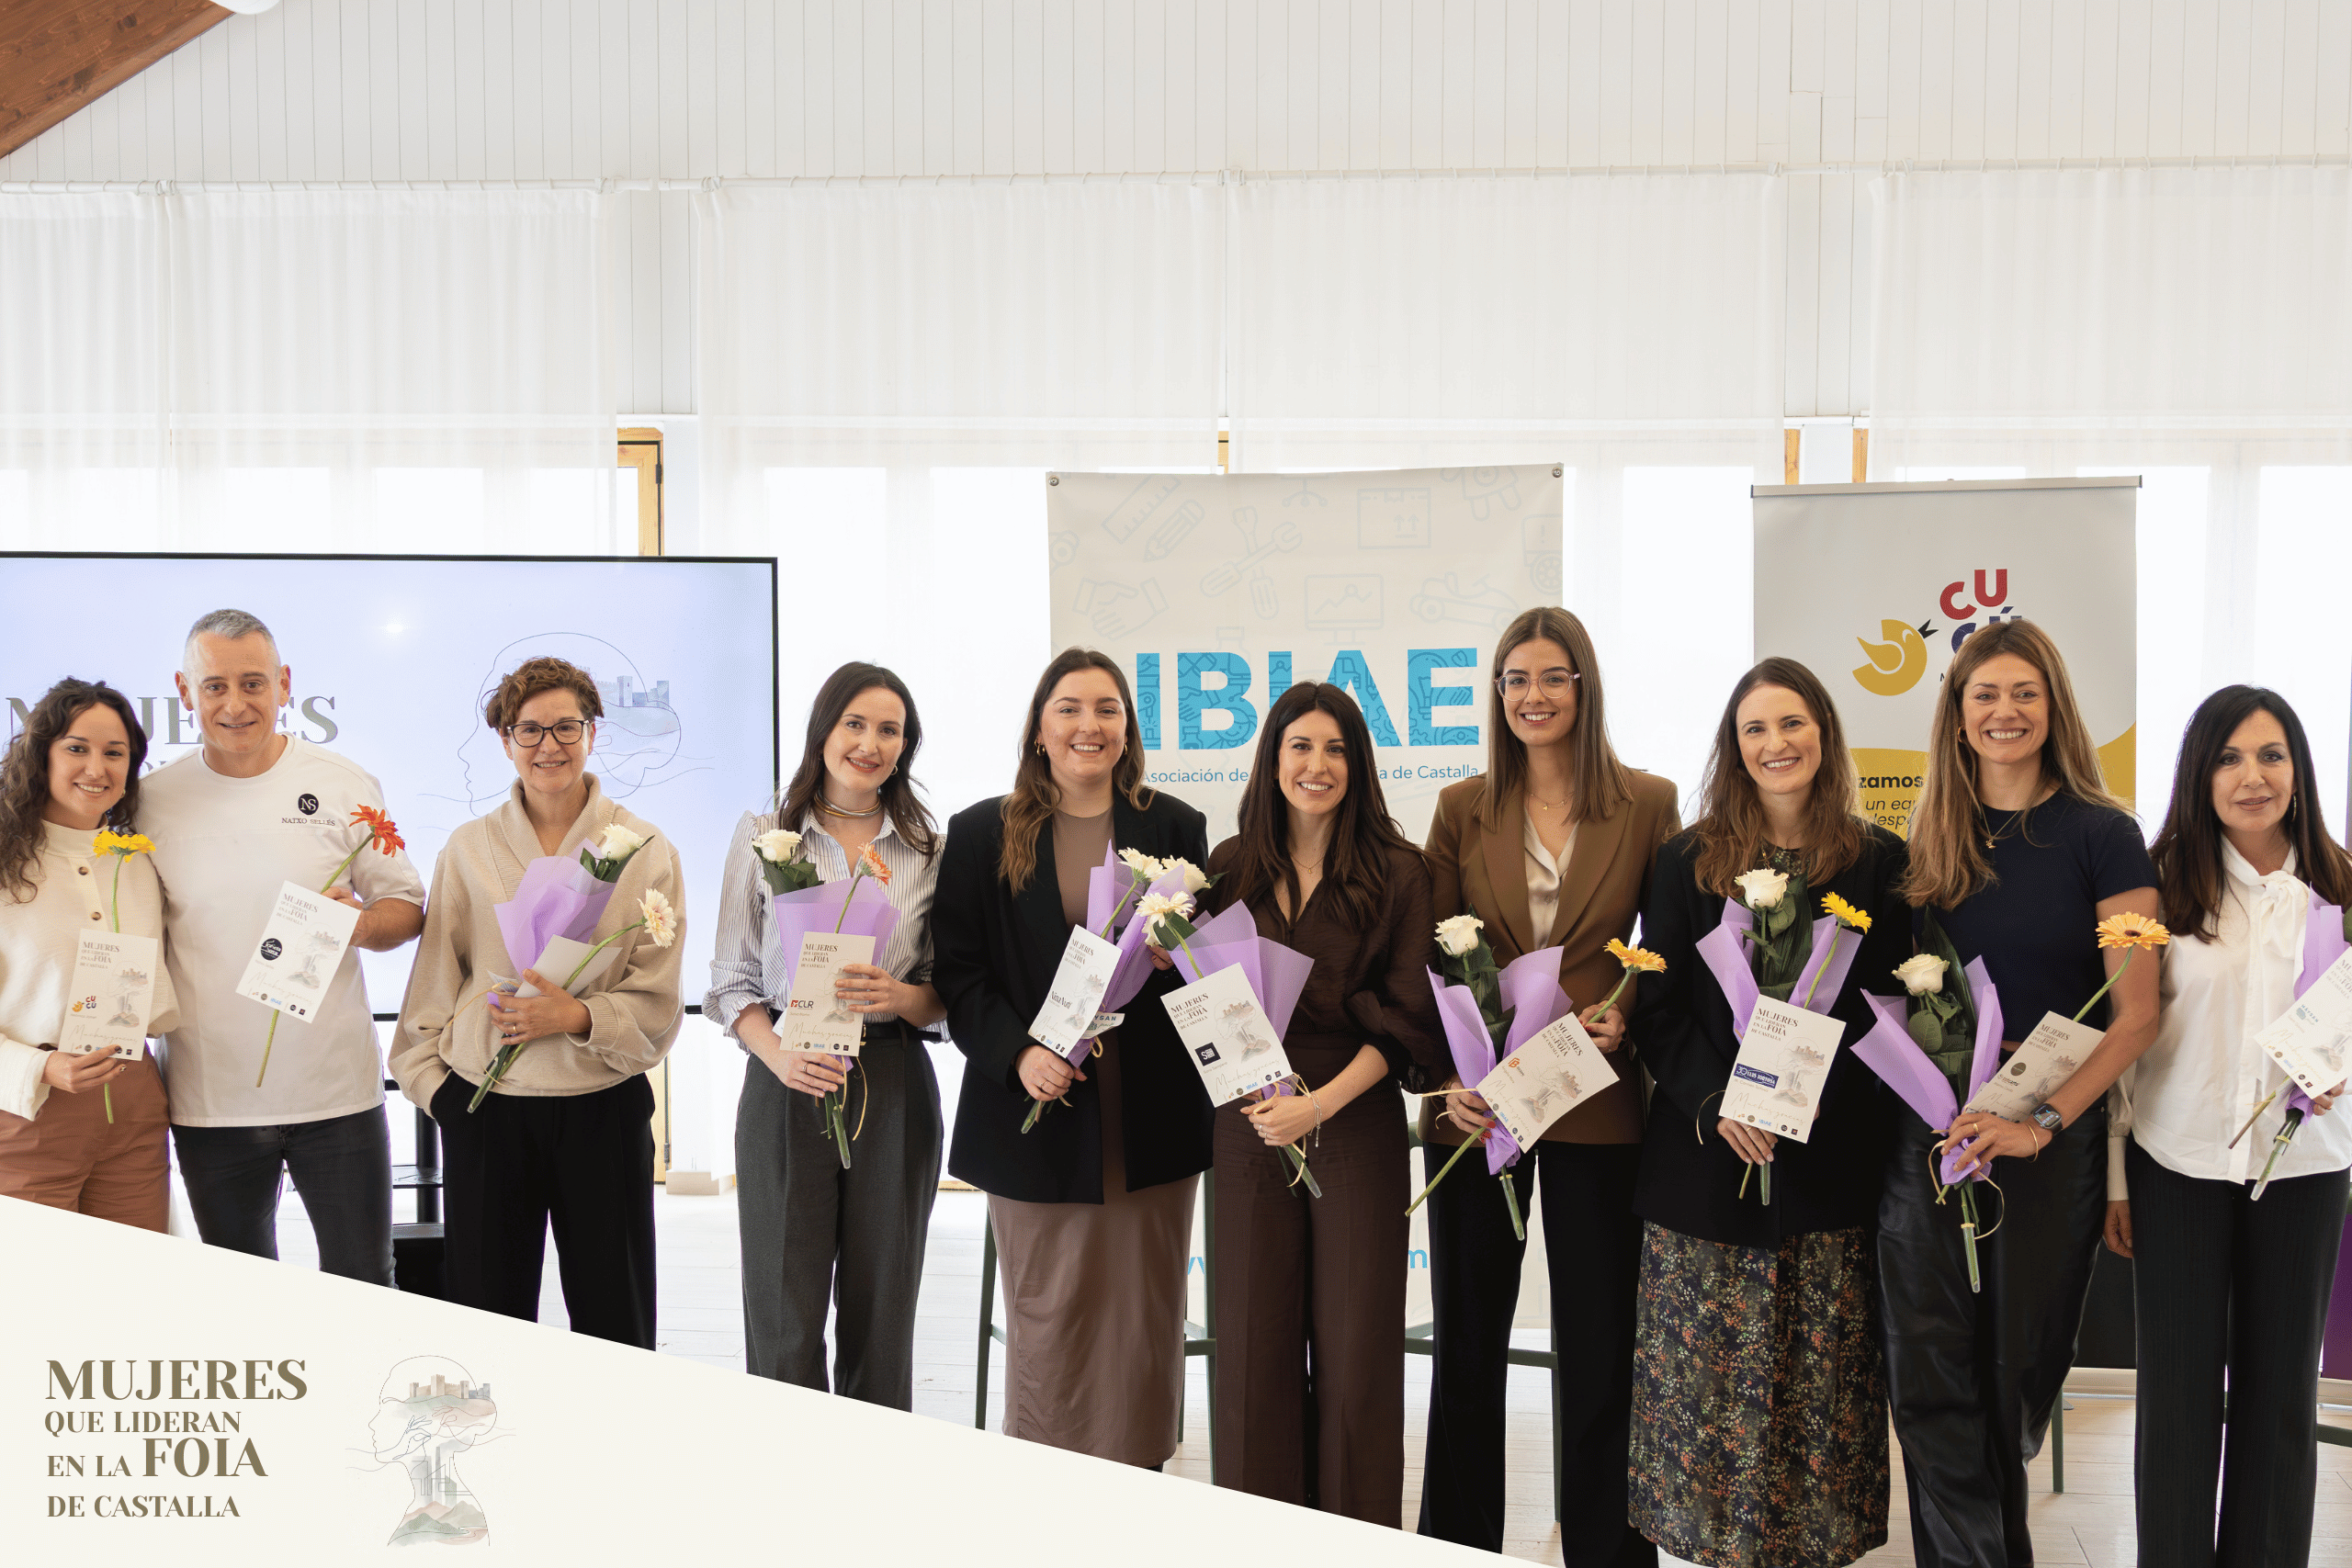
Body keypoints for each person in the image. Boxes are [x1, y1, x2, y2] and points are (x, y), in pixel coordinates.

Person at [1883, 619, 2159, 1568]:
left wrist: (2040, 1123)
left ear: (2053, 709)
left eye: (2023, 694)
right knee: (1927, 1385)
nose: (2004, 712)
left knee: (2014, 1384)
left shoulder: (2104, 837)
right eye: (1984, 696)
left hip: (2047, 1153)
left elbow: (2136, 1015)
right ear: (1955, 718)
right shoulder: (1923, 847)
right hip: (1931, 1150)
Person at [1628, 658, 1907, 1567]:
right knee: (1706, 1395)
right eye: (1755, 728)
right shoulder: (1685, 860)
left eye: (1791, 724)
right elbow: (1658, 1008)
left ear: (1823, 735)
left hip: (1828, 1173)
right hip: (1706, 1170)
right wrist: (1720, 1101)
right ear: (1733, 746)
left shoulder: (1879, 862)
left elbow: (1893, 1013)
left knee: (1815, 1398)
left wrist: (1809, 1096)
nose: (1774, 743)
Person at [1417, 605, 1679, 1562]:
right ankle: (1452, 1543)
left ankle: (1607, 1550)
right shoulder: (1459, 806)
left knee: (1601, 1344)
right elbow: (1433, 959)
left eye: (1552, 677)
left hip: (1595, 1103)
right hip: (1479, 1107)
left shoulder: (1647, 802)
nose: (1534, 695)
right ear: (1498, 696)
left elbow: (1674, 952)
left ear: (1584, 686)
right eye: (1516, 680)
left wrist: (1632, 1019)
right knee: (1468, 1344)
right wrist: (1447, 1075)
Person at [930, 647, 1210, 1467]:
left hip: (1147, 1110)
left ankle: (1140, 1472)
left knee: (1144, 1310)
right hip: (1036, 1104)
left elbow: (1209, 959)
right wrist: (1018, 1054)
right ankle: (1047, 1484)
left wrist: (1174, 955)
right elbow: (959, 970)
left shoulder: (1176, 827)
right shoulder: (982, 830)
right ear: (1040, 728)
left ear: (1128, 728)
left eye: (1108, 709)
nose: (1090, 725)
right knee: (1049, 1308)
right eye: (1070, 708)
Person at [1191, 682, 1444, 1523]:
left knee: (1357, 1345)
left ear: (1358, 764)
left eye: (1335, 749)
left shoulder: (1403, 872)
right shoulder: (1227, 867)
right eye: (1300, 746)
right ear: (1273, 759)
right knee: (1254, 1344)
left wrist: (1319, 1106)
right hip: (1249, 1116)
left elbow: (1409, 1019)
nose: (1317, 764)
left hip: (1355, 1113)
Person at [2112, 685, 2352, 1567]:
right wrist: (2112, 1175)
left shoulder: (2342, 885)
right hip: (2177, 1164)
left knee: (2281, 1394)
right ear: (2199, 772)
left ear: (2299, 768)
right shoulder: (2158, 883)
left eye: (2271, 754)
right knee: (2175, 1396)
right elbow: (2124, 1037)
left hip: (2307, 1168)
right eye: (2229, 757)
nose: (2252, 776)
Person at [390, 656, 684, 1348]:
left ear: (592, 731)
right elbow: (435, 979)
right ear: (505, 740)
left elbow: (659, 991)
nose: (548, 745)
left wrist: (576, 1016)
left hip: (602, 1107)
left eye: (565, 726)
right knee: (488, 1317)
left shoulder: (643, 847)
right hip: (489, 1109)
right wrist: (440, 1095)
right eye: (529, 730)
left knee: (616, 1315)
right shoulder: (469, 848)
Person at [142, 609, 425, 1282]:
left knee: (364, 1282)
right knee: (246, 1299)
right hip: (212, 1100)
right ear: (185, 692)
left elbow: (406, 907)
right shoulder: (152, 802)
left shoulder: (343, 783)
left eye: (253, 683)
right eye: (214, 686)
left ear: (284, 684)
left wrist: (358, 924)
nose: (235, 704)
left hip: (338, 1097)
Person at [707, 661, 946, 1407]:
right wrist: (778, 1054)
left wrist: (902, 995)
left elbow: (951, 991)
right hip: (785, 1072)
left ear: (906, 746)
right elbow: (730, 976)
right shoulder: (764, 837)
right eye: (855, 723)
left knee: (883, 1305)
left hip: (893, 1076)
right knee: (783, 1302)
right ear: (824, 729)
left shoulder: (929, 850)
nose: (870, 744)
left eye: (889, 730)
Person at [0, 680, 177, 1227]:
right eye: (77, 748)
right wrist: (41, 1066)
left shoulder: (137, 863)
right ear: (40, 754)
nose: (96, 769)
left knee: (132, 1293)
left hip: (134, 1107)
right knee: (42, 1302)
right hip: (30, 1110)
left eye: (114, 753)